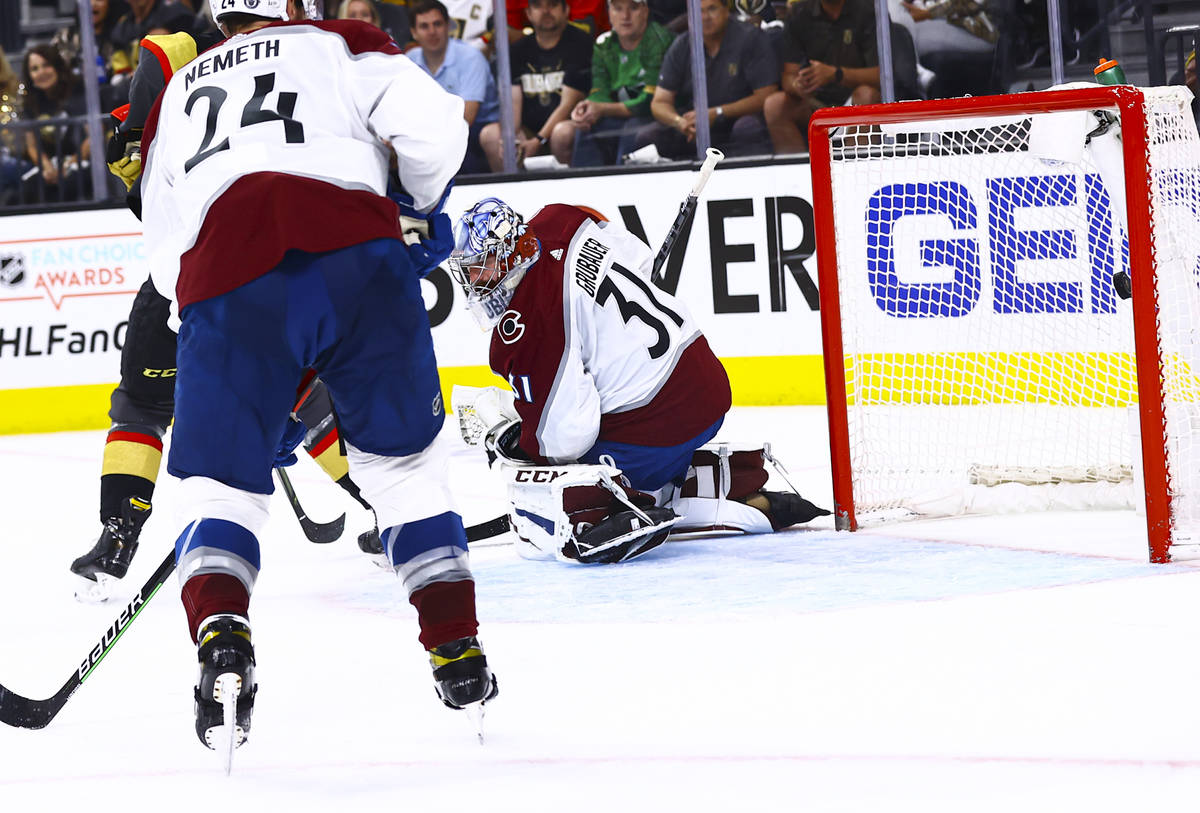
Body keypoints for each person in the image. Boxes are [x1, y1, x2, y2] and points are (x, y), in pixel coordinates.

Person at [140, 0, 496, 755]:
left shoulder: (176, 92)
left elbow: (166, 249)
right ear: (293, 7)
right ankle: (455, 643)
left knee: (221, 492)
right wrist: (414, 203)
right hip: (357, 259)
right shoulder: (340, 41)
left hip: (224, 285)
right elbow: (437, 129)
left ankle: (223, 637)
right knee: (402, 468)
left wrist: (235, 362)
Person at [447, 197, 829, 564]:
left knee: (557, 491)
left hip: (656, 427)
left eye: (480, 266)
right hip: (706, 383)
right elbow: (639, 259)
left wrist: (524, 445)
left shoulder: (526, 326)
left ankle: (646, 500)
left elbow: (566, 436)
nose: (473, 280)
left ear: (510, 254)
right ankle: (697, 481)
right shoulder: (562, 219)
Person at [637, 0, 777, 160]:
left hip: (738, 117)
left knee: (747, 128)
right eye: (699, 11)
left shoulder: (750, 38)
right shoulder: (682, 44)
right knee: (648, 137)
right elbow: (660, 102)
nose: (705, 17)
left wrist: (718, 113)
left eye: (712, 9)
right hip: (695, 123)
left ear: (726, 10)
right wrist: (679, 122)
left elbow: (766, 95)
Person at [551, 0, 674, 167]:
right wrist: (589, 109)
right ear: (609, 12)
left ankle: (626, 185)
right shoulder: (603, 44)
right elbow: (600, 91)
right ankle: (584, 184)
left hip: (655, 114)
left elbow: (649, 102)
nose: (625, 16)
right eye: (618, 8)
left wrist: (601, 109)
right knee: (586, 126)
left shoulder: (660, 40)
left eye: (633, 8)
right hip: (620, 113)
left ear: (645, 11)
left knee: (632, 129)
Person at [479, 0, 593, 171]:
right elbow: (513, 103)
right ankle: (507, 192)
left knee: (561, 133)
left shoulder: (580, 43)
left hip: (568, 125)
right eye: (538, 6)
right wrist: (510, 138)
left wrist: (539, 140)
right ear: (528, 13)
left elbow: (567, 105)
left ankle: (568, 192)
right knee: (491, 135)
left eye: (552, 5)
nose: (545, 11)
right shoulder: (517, 50)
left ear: (566, 10)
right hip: (529, 130)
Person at [762, 0, 881, 154]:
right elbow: (788, 76)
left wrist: (835, 74)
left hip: (855, 100)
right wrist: (798, 85)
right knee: (775, 105)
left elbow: (882, 76)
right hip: (815, 101)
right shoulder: (799, 12)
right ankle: (798, 171)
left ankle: (857, 168)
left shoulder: (868, 10)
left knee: (866, 95)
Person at [407, 0, 499, 173]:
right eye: (424, 26)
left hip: (473, 134)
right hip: (429, 132)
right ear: (414, 32)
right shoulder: (409, 60)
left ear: (449, 27)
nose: (432, 32)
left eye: (437, 24)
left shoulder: (471, 57)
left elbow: (467, 117)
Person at [20, 43, 93, 203]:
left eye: (46, 65)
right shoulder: (30, 102)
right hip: (51, 166)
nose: (41, 73)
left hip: (81, 162)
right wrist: (48, 168)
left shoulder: (77, 90)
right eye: (35, 68)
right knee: (28, 189)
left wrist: (68, 164)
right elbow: (32, 145)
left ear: (57, 67)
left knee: (68, 187)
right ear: (29, 75)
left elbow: (93, 136)